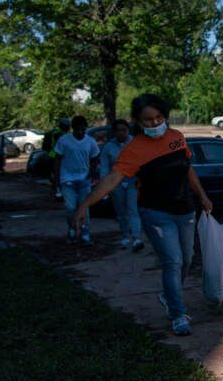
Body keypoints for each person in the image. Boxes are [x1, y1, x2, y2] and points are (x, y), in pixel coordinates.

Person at [74, 94, 212, 336]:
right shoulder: (133, 149)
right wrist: (84, 205)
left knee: (188, 259)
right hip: (156, 212)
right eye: (148, 120)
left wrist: (202, 195)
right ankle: (178, 313)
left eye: (158, 118)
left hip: (185, 209)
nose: (154, 123)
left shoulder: (177, 138)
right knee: (173, 261)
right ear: (137, 121)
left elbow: (187, 169)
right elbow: (112, 178)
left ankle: (169, 296)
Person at [54, 115, 100, 245]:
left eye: (82, 130)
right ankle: (72, 228)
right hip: (67, 179)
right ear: (73, 129)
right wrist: (56, 180)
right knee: (70, 208)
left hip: (84, 179)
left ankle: (85, 233)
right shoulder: (64, 140)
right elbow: (57, 158)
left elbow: (95, 157)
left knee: (84, 207)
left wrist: (90, 173)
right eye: (77, 130)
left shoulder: (90, 141)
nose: (80, 133)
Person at [100, 118, 143, 251]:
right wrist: (106, 186)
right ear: (114, 132)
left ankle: (136, 237)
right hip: (116, 183)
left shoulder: (135, 144)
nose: (121, 133)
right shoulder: (109, 147)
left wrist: (140, 179)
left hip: (132, 181)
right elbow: (104, 167)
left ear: (127, 130)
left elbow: (140, 163)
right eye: (118, 131)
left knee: (133, 210)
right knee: (121, 212)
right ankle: (125, 236)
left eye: (123, 130)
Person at [44, 118, 70, 198]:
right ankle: (57, 190)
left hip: (55, 154)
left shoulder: (61, 133)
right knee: (56, 172)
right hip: (55, 155)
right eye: (67, 126)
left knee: (57, 172)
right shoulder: (58, 134)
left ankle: (58, 188)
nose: (68, 128)